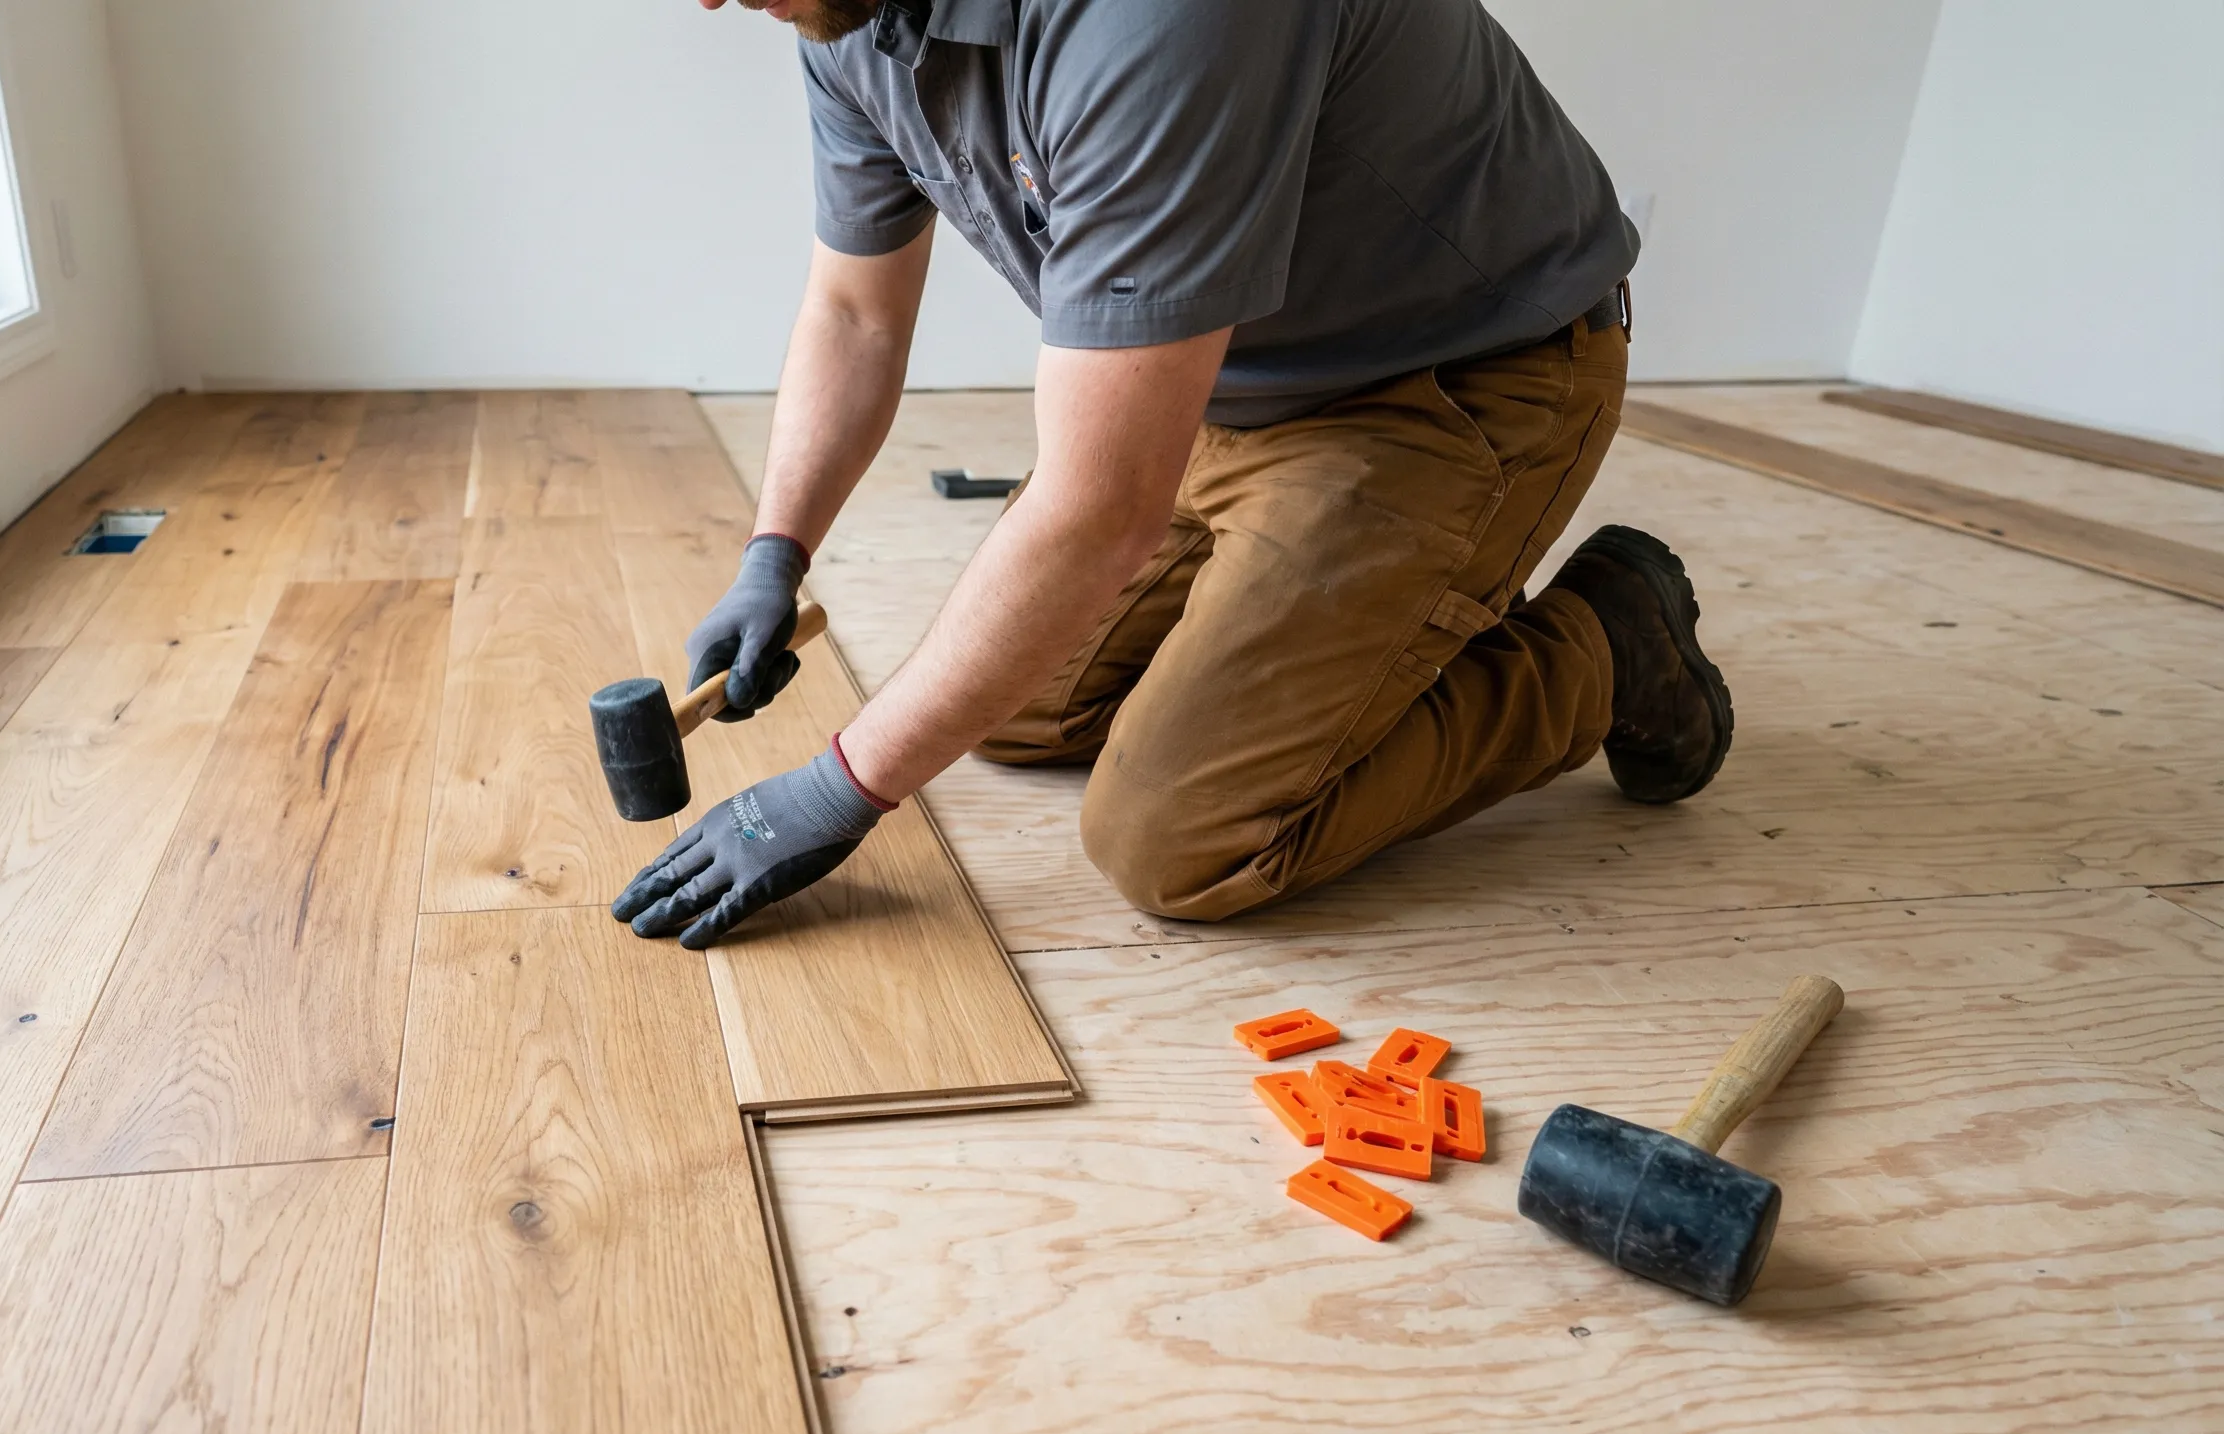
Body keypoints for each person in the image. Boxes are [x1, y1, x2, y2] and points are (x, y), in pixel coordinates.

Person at [613, 0, 1732, 949]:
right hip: (1213, 387)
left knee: (1180, 841)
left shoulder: (1159, 19)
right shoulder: (851, 17)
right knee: (1014, 715)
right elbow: (854, 314)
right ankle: (1327, 632)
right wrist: (776, 551)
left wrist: (833, 791)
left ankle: (1608, 641)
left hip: (1447, 388)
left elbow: (1099, 513)